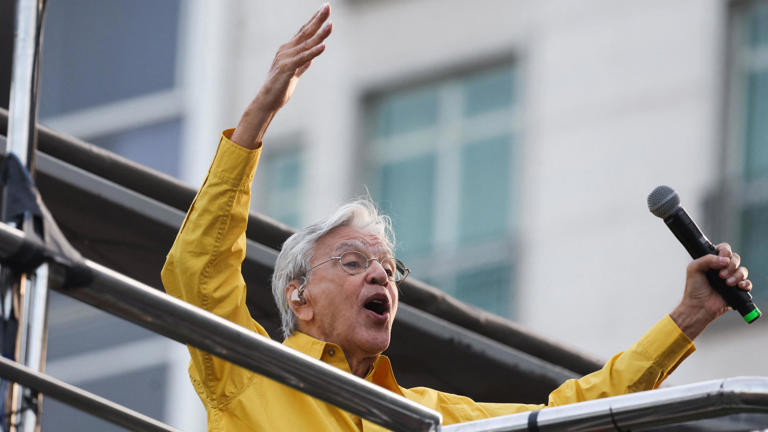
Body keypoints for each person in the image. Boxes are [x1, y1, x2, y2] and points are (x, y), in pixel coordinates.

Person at [161, 4, 754, 431]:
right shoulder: (248, 373)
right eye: (353, 261)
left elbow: (576, 412)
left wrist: (689, 317)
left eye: (390, 270)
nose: (381, 278)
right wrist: (259, 114)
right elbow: (196, 272)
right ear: (299, 298)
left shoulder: (430, 417)